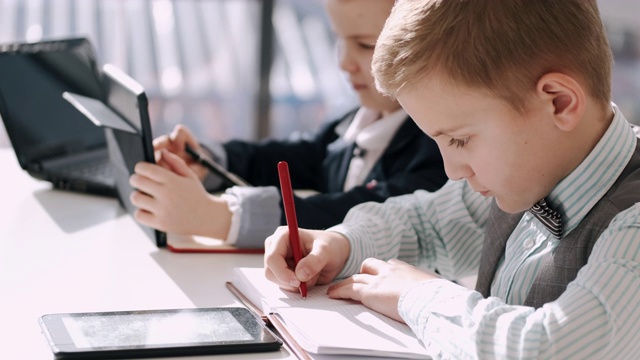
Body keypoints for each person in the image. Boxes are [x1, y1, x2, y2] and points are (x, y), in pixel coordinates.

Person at [263, 0, 640, 358]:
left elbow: (547, 349)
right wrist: (341, 243)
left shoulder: (633, 225)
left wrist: (419, 295)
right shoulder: (537, 169)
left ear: (558, 102)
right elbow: (427, 225)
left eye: (460, 139)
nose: (452, 170)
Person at [128, 0, 447, 248]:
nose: (343, 62)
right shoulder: (356, 117)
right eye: (340, 40)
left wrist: (220, 218)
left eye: (365, 45)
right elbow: (295, 155)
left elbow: (359, 214)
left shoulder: (440, 150)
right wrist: (209, 160)